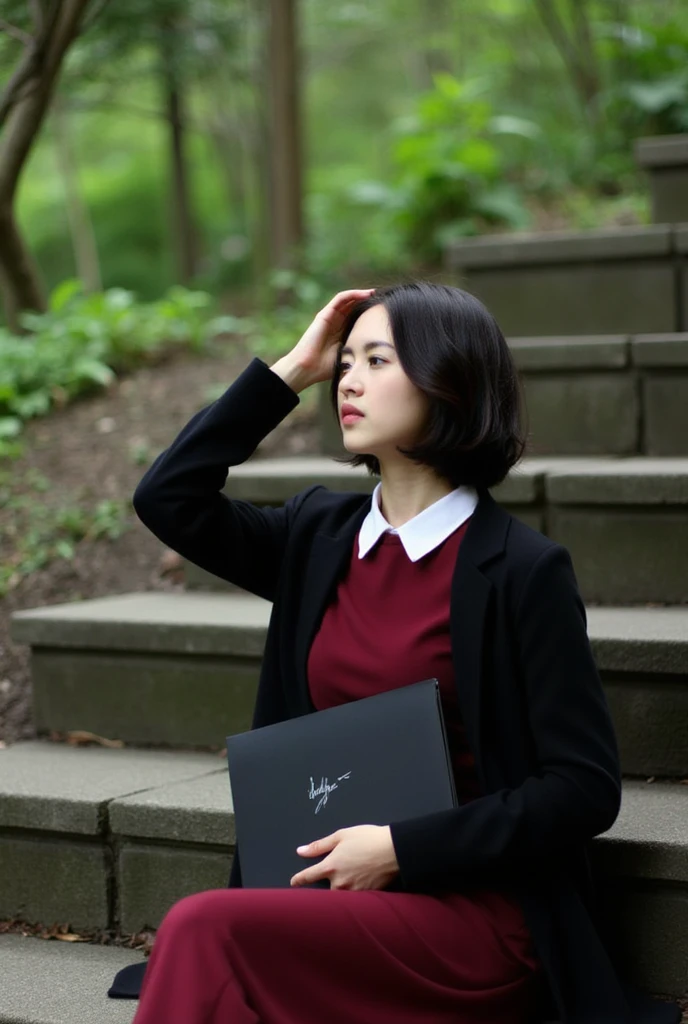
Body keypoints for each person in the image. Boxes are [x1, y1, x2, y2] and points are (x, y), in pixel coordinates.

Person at [109, 282, 681, 1024]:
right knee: (215, 946)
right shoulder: (317, 537)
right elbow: (168, 496)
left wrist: (402, 850)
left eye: (376, 360)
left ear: (448, 380)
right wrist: (291, 370)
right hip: (332, 895)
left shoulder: (519, 571)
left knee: (198, 929)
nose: (348, 380)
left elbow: (581, 789)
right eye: (345, 363)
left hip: (471, 914)